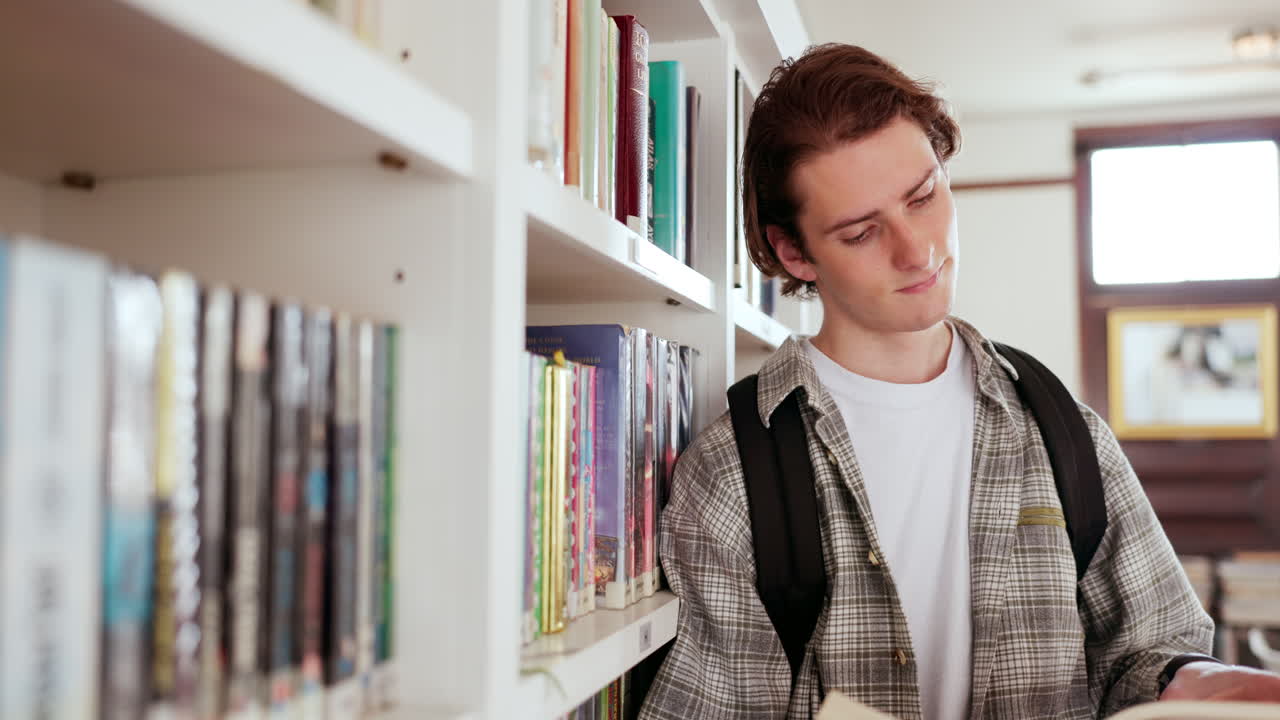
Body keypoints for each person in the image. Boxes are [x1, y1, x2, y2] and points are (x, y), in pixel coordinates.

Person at [638, 43, 1280, 719]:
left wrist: (1208, 683)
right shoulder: (735, 470)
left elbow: (1148, 651)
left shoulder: (1063, 431)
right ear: (796, 253)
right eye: (860, 233)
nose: (918, 250)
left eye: (923, 196)